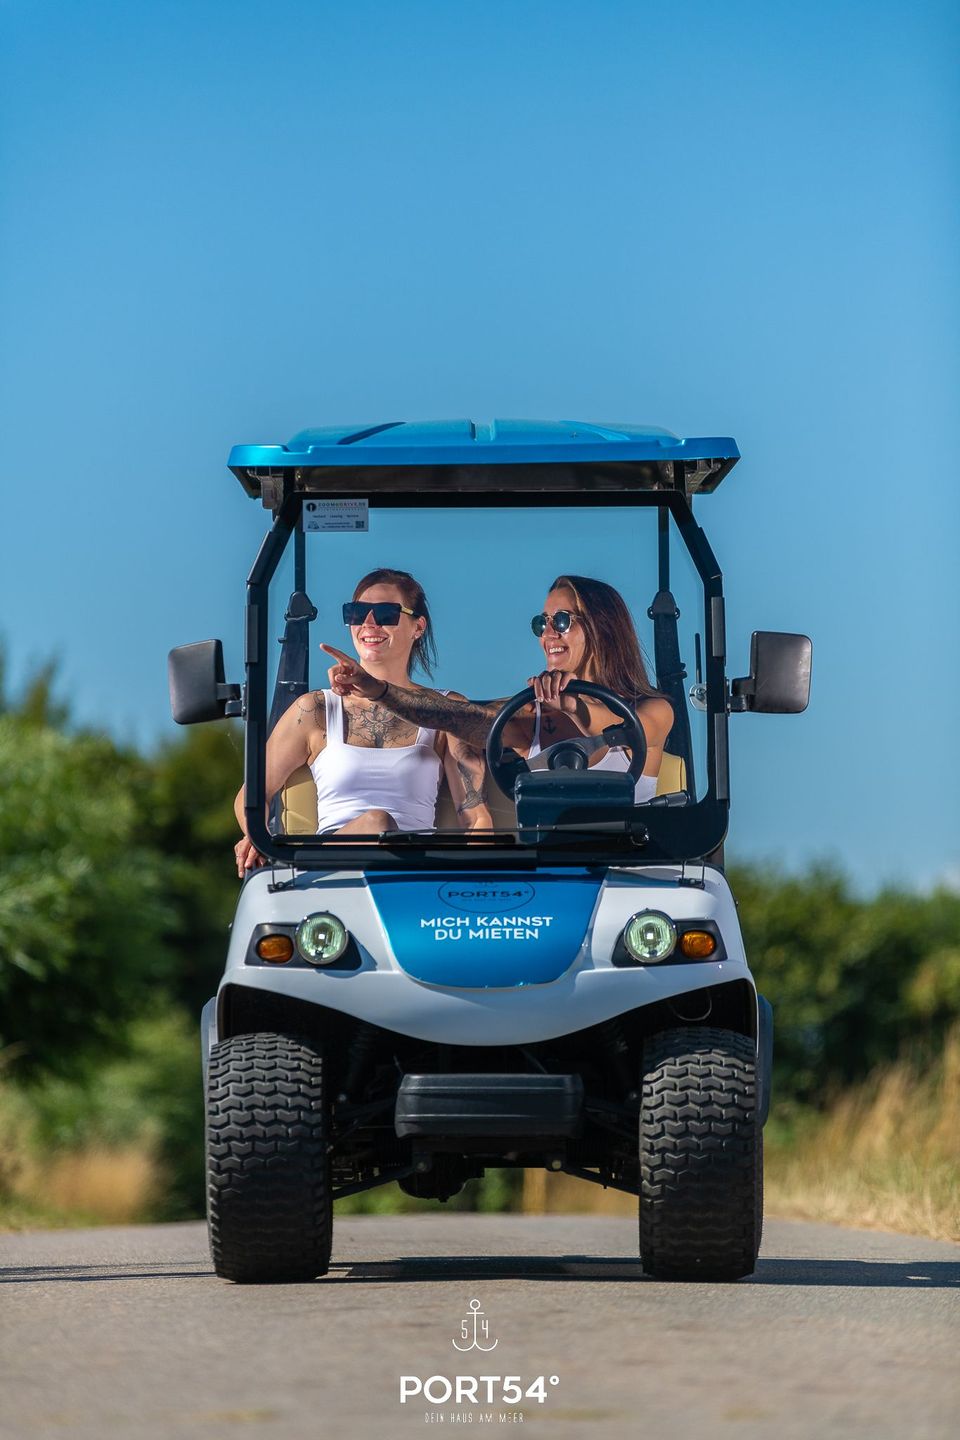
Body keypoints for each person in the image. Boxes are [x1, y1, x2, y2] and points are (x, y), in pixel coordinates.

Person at [320, 573, 673, 800]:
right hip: (551, 872)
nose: (548, 634)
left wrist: (573, 705)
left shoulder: (653, 709)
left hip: (627, 871)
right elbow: (453, 717)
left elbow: (632, 730)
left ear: (603, 627)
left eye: (562, 621)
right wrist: (377, 690)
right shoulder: (528, 716)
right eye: (542, 623)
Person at [233, 568, 491, 876]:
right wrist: (256, 836)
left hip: (414, 869)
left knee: (379, 823)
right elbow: (252, 794)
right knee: (376, 822)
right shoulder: (315, 710)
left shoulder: (446, 711)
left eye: (385, 613)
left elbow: (475, 817)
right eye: (356, 613)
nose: (369, 623)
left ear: (418, 627)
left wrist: (477, 881)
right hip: (332, 872)